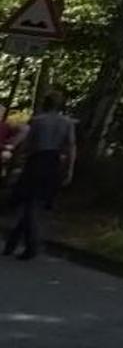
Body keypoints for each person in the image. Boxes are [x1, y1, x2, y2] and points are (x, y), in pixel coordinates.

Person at [4, 94, 73, 259]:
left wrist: (17, 160)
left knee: (29, 203)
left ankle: (30, 243)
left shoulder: (37, 121)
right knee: (35, 203)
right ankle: (13, 243)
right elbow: (71, 145)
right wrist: (69, 168)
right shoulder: (67, 123)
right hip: (54, 162)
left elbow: (28, 144)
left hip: (36, 161)